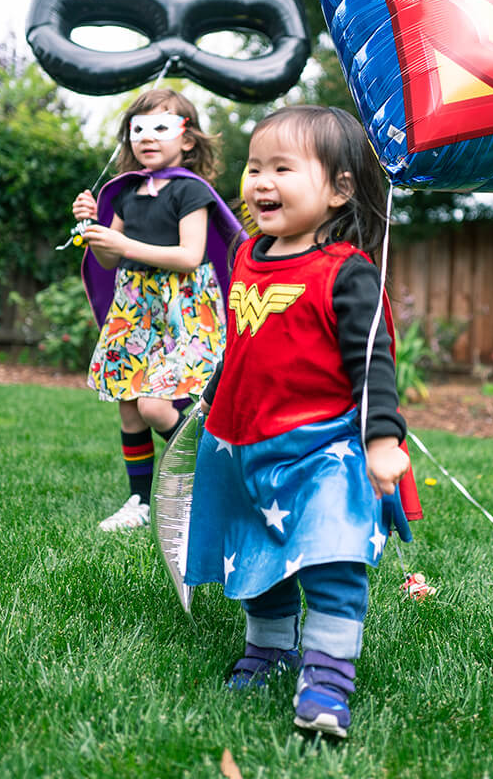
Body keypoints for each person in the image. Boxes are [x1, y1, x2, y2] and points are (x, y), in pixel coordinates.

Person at [186, 105, 422, 739]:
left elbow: (373, 363)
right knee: (256, 556)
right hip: (243, 445)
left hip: (323, 449)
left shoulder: (347, 273)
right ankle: (269, 651)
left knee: (331, 558)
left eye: (283, 168)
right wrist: (207, 401)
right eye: (255, 166)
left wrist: (381, 439)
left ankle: (326, 679)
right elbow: (243, 342)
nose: (261, 181)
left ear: (339, 188)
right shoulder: (247, 255)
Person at [73, 88, 230, 532]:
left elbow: (189, 254)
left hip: (181, 311)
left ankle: (211, 475)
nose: (147, 136)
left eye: (161, 127)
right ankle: (140, 501)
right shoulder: (126, 192)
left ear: (187, 140)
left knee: (155, 405)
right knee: (128, 404)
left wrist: (122, 243)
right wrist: (93, 229)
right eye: (137, 128)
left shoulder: (189, 191)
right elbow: (108, 258)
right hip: (135, 310)